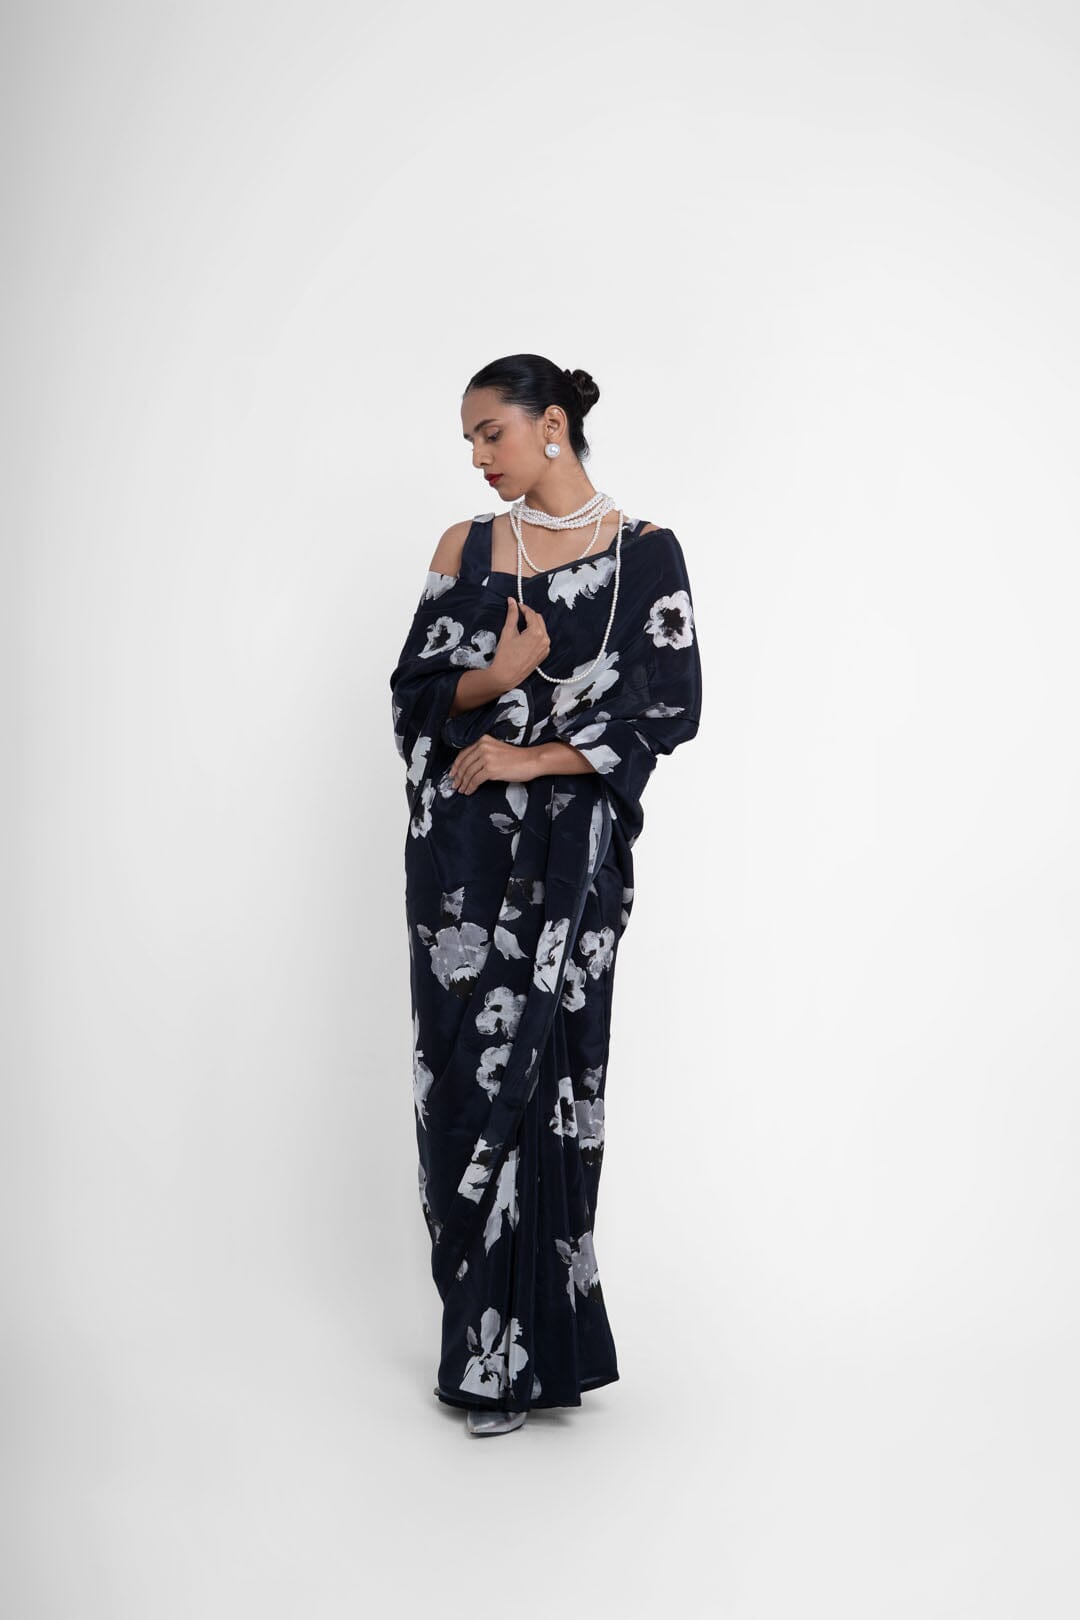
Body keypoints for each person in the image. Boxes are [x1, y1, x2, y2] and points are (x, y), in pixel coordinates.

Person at [389, 353, 703, 1437]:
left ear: (553, 424)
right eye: (469, 440)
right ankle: (478, 1353)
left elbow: (671, 705)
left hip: (574, 868)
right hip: (462, 876)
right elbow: (415, 703)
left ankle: (536, 1358)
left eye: (493, 433)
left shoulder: (646, 554)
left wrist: (534, 754)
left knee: (555, 1080)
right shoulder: (467, 548)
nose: (479, 457)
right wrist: (497, 678)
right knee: (463, 1092)